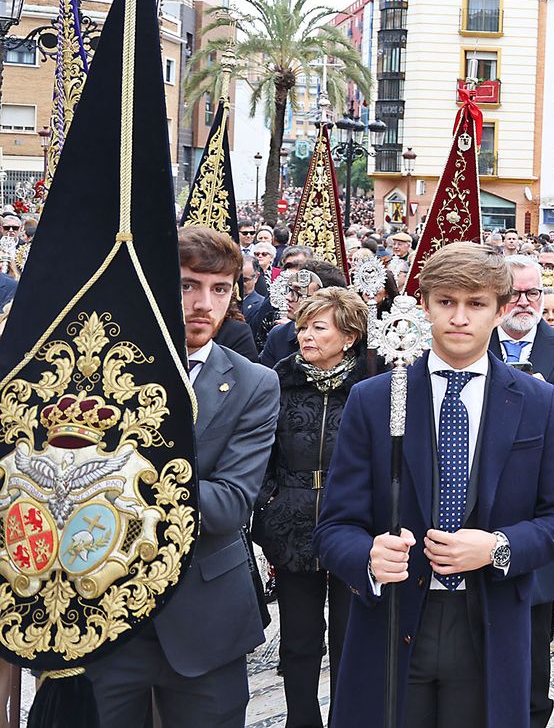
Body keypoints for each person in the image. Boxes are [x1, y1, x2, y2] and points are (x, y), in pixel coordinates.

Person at [313, 241, 554, 728]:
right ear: (424, 306)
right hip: (394, 617)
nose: (460, 318)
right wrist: (367, 557)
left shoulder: (537, 401)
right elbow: (335, 524)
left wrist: (499, 546)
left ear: (501, 311)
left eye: (476, 304)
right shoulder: (374, 399)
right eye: (446, 302)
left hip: (489, 619)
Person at [86, 226, 280, 727]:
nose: (204, 304)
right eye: (189, 285)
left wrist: (118, 478)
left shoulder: (254, 383)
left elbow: (230, 504)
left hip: (206, 617)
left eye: (220, 289)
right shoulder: (99, 369)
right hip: (103, 610)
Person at [254, 286, 372, 728]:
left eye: (318, 327)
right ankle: (300, 720)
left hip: (353, 528)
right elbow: (259, 452)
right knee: (299, 640)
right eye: (302, 327)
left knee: (349, 637)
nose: (305, 335)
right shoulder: (276, 380)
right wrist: (268, 505)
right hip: (290, 525)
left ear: (348, 336)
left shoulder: (371, 387)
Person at [491, 255, 554, 707]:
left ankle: (533, 713)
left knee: (534, 634)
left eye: (533, 293)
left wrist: (542, 396)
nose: (525, 302)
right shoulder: (476, 343)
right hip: (482, 506)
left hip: (538, 511)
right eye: (515, 292)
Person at [261, 258, 347, 367]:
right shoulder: (278, 336)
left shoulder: (350, 335)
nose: (288, 298)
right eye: (291, 290)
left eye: (299, 293)